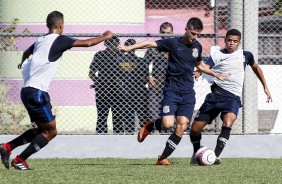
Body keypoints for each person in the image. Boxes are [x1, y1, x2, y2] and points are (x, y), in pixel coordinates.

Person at [0, 11, 113, 170]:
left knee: (41, 130)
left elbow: (26, 52)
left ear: (48, 25)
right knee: (51, 132)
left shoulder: (40, 40)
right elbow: (87, 43)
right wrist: (105, 36)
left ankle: (7, 147)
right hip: (37, 92)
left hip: (27, 91)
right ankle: (19, 159)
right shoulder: (60, 39)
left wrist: (21, 63)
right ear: (61, 25)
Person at [119, 17, 226, 165]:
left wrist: (214, 73)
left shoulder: (197, 47)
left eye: (198, 34)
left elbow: (199, 64)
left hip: (188, 93)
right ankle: (150, 126)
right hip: (172, 91)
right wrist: (129, 48)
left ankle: (161, 158)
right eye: (193, 33)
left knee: (181, 126)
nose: (194, 37)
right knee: (167, 124)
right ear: (186, 29)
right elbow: (150, 43)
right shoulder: (173, 43)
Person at [189, 29, 272, 165]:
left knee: (228, 121)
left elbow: (256, 68)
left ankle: (213, 157)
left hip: (232, 98)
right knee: (195, 129)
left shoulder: (245, 55)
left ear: (239, 42)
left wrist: (265, 87)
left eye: (235, 41)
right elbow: (206, 65)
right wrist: (198, 72)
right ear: (225, 40)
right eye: (229, 40)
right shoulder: (217, 54)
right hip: (215, 96)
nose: (231, 43)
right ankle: (197, 152)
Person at [89, 36, 122, 134]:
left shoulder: (121, 55)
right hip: (104, 89)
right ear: (106, 44)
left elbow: (91, 73)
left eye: (115, 44)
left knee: (117, 115)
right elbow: (91, 73)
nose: (113, 46)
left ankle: (117, 135)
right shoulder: (100, 55)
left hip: (116, 89)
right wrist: (99, 82)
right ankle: (102, 135)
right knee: (103, 115)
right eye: (110, 44)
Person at [144, 22, 173, 122]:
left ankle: (169, 128)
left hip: (172, 81)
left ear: (172, 33)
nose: (165, 36)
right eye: (163, 33)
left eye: (168, 34)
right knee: (153, 107)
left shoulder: (176, 46)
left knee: (170, 106)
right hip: (157, 81)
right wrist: (149, 76)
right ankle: (155, 128)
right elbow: (144, 63)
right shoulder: (154, 47)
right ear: (159, 33)